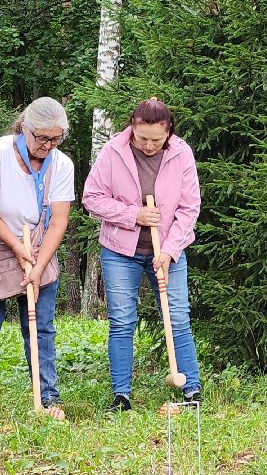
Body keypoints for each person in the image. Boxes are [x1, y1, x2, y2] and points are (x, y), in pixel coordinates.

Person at [83, 98, 202, 413]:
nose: (148, 145)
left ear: (168, 133)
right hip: (120, 251)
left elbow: (189, 208)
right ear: (132, 127)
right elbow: (91, 197)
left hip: (167, 251)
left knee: (177, 318)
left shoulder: (182, 153)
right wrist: (133, 214)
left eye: (156, 140)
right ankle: (121, 396)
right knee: (121, 321)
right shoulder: (113, 152)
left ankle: (192, 393)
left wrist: (171, 251)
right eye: (142, 138)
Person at [0, 98, 74, 416]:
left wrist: (38, 266)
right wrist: (16, 247)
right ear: (24, 127)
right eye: (42, 138)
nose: (48, 145)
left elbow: (59, 221)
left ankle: (48, 396)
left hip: (39, 250)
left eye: (55, 139)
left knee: (41, 326)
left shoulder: (61, 164)